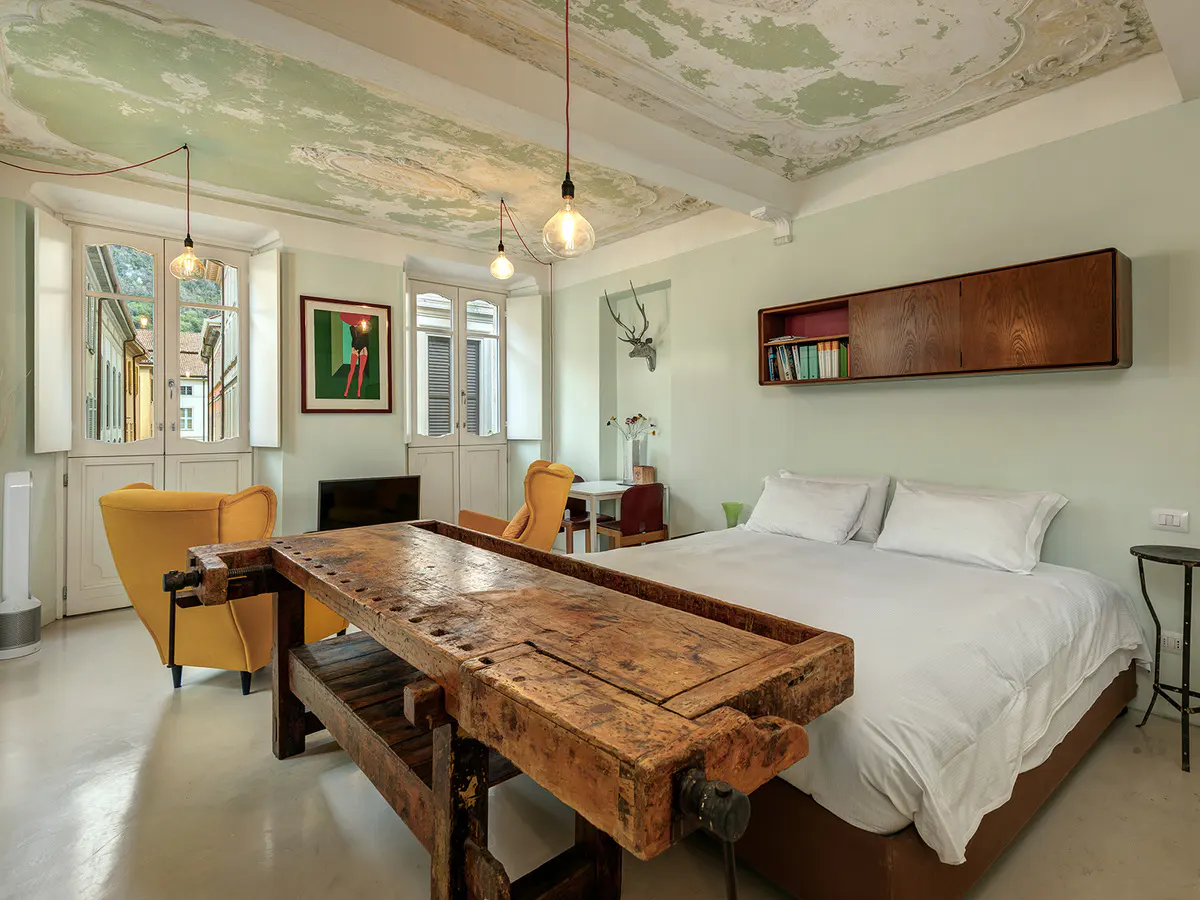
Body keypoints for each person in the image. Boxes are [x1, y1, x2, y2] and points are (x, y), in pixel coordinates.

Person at [344, 318, 370, 398]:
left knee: (360, 371)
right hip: (355, 348)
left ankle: (358, 391)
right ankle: (346, 390)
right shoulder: (352, 328)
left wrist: (363, 327)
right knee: (351, 370)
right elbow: (354, 337)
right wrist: (354, 348)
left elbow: (365, 337)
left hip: (363, 348)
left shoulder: (364, 327)